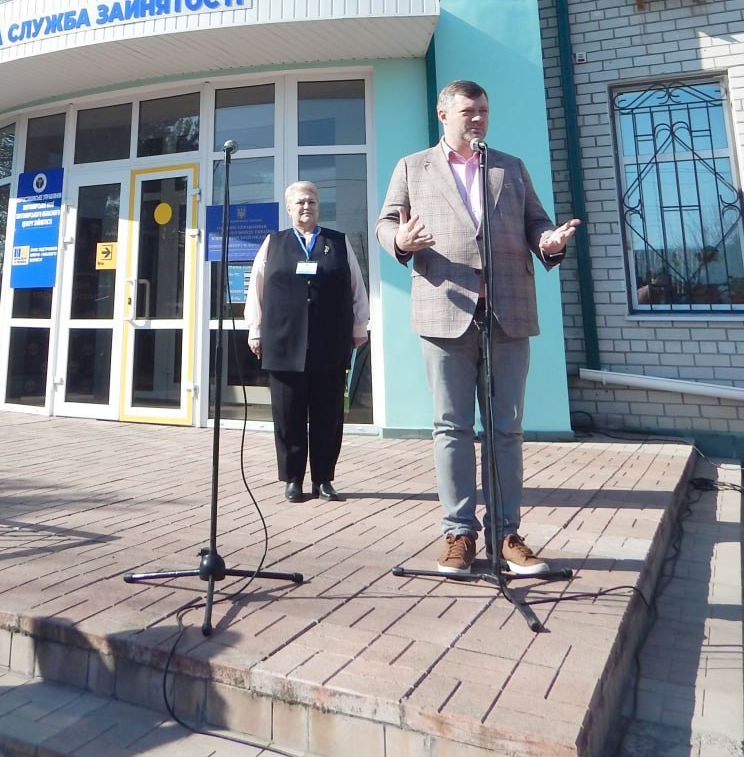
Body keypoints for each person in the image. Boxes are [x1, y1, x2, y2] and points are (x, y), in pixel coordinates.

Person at [376, 80, 579, 575]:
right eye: (468, 111)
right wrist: (400, 239)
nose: (478, 118)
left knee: (506, 429)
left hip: (507, 311)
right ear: (443, 115)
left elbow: (536, 223)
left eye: (484, 110)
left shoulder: (510, 166)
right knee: (451, 427)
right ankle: (459, 534)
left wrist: (548, 242)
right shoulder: (413, 166)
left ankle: (506, 533)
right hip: (444, 311)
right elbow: (384, 224)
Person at [246, 181, 369, 502]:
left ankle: (323, 479)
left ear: (318, 207)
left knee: (328, 415)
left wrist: (360, 326)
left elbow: (356, 288)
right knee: (288, 416)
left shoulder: (338, 243)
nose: (306, 207)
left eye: (312, 201)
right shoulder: (273, 243)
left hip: (330, 343)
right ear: (289, 209)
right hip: (283, 343)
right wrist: (255, 329)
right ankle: (293, 479)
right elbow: (256, 290)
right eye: (300, 202)